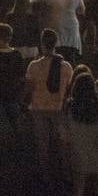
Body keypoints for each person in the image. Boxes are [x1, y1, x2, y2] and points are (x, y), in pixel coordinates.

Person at [25, 29, 73, 186]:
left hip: (39, 108)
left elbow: (29, 88)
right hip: (58, 108)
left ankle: (45, 175)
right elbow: (69, 89)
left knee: (42, 144)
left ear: (42, 43)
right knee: (61, 143)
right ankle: (65, 173)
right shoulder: (66, 67)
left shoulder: (33, 66)